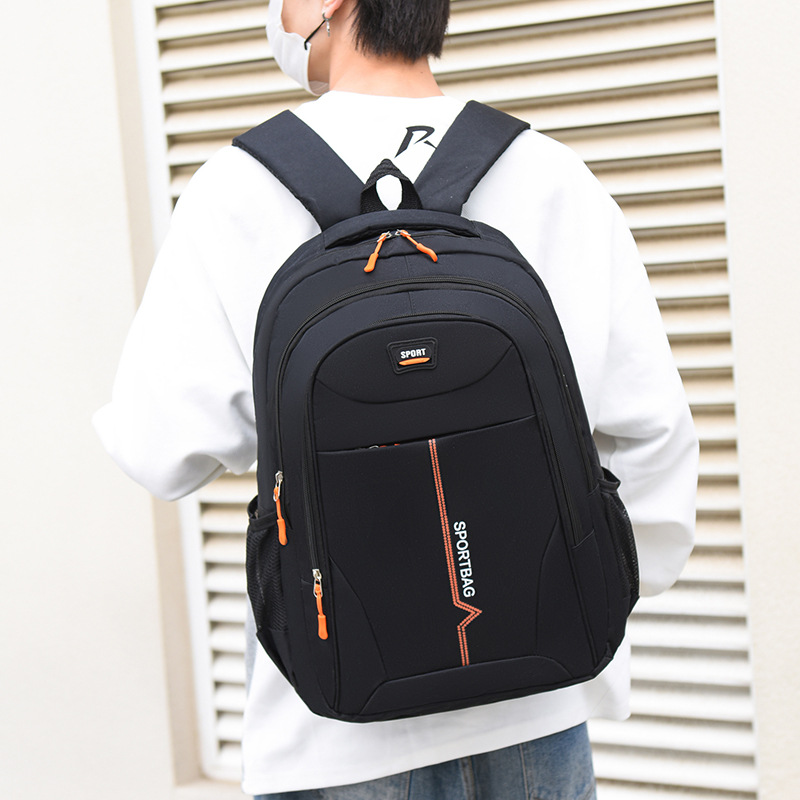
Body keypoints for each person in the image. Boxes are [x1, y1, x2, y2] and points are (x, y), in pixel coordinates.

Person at [94, 0, 699, 798]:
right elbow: (652, 429)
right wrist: (584, 590)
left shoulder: (237, 191)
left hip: (337, 720)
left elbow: (160, 449)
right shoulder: (551, 174)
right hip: (541, 700)